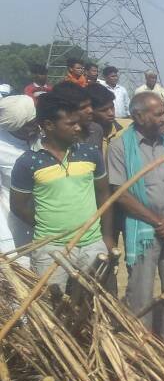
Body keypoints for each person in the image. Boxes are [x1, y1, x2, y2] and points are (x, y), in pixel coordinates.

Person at [108, 92, 164, 356]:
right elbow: (120, 193)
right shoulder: (120, 148)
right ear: (138, 116)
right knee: (141, 289)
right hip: (144, 229)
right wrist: (158, 221)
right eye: (157, 114)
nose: (163, 118)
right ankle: (142, 345)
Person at [10, 92, 114, 287]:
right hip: (50, 249)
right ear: (49, 126)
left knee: (93, 304)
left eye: (77, 122)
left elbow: (103, 195)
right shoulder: (28, 162)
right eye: (70, 124)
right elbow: (18, 206)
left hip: (92, 244)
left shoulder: (89, 154)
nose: (77, 127)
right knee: (54, 307)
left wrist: (107, 237)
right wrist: (49, 225)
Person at [0, 96, 39, 261]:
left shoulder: (44, 136)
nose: (35, 126)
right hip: (13, 212)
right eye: (29, 124)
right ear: (16, 127)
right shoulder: (2, 145)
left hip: (47, 207)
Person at [52, 81, 100, 146]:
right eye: (83, 107)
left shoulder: (96, 130)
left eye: (90, 105)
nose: (90, 111)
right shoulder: (50, 135)